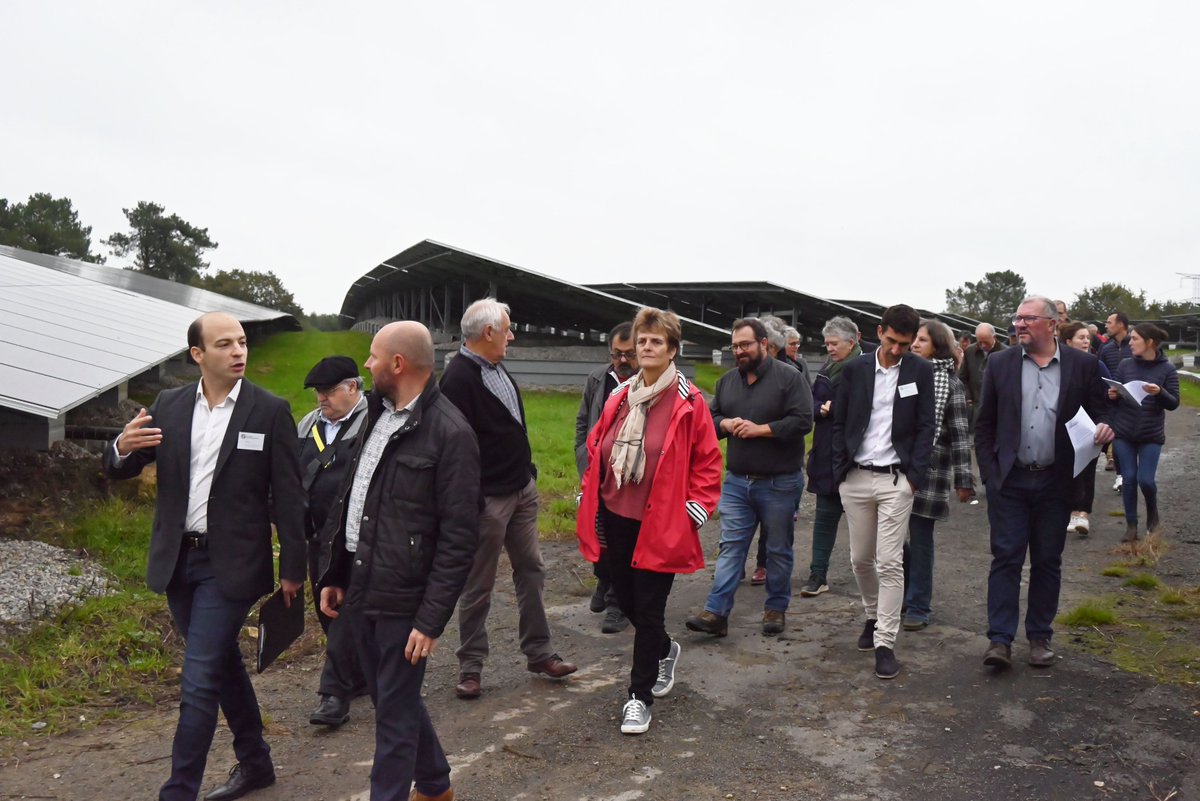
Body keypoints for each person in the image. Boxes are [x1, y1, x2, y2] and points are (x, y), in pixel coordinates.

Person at [103, 312, 306, 801]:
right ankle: (256, 763)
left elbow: (291, 497)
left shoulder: (269, 411)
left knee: (197, 682)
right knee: (221, 665)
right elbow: (125, 466)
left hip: (231, 566)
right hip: (178, 561)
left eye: (241, 343)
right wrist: (119, 447)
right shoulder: (169, 406)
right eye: (224, 344)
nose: (238, 351)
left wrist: (294, 571)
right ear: (198, 355)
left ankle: (179, 791)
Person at [319, 321, 479, 801]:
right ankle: (434, 785)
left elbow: (458, 539)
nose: (365, 365)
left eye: (372, 356)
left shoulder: (451, 434)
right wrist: (338, 573)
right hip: (362, 584)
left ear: (397, 364)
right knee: (394, 695)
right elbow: (357, 500)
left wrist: (430, 621)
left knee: (392, 714)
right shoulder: (373, 413)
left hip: (404, 599)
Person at [576, 307, 721, 735]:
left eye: (656, 341)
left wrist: (695, 510)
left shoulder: (690, 403)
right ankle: (664, 649)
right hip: (616, 515)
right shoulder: (620, 397)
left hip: (661, 522)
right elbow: (597, 442)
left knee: (650, 607)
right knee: (627, 598)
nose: (646, 346)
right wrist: (590, 489)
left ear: (672, 349)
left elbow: (708, 463)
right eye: (642, 340)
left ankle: (638, 698)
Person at [440, 298, 577, 699]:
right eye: (507, 329)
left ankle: (539, 652)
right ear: (487, 333)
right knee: (478, 584)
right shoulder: (458, 379)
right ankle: (470, 666)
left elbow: (509, 429)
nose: (512, 336)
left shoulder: (495, 367)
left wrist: (528, 475)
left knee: (531, 570)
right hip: (488, 500)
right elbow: (453, 451)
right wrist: (474, 498)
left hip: (521, 491)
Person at [975, 296, 1112, 670]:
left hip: (1056, 481)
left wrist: (1104, 427)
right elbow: (984, 423)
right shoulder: (1000, 363)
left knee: (1048, 561)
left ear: (1051, 325)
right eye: (1017, 318)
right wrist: (990, 473)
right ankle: (999, 640)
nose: (1019, 325)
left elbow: (1102, 410)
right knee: (1006, 558)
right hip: (1010, 481)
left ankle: (1039, 637)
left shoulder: (1084, 366)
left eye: (1028, 319)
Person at [685, 318, 813, 637]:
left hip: (780, 482)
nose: (739, 351)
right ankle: (716, 614)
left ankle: (775, 609)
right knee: (731, 546)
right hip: (738, 481)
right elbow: (711, 419)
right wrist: (726, 424)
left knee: (778, 550)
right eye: (735, 346)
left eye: (745, 345)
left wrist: (763, 430)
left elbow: (803, 421)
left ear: (764, 344)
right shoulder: (728, 382)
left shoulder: (789, 378)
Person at [831, 304, 934, 680]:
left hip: (896, 480)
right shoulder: (856, 369)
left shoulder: (920, 371)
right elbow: (840, 420)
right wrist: (840, 472)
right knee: (860, 559)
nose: (896, 350)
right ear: (879, 332)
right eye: (891, 341)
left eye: (904, 344)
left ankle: (885, 642)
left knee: (890, 561)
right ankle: (873, 615)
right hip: (856, 477)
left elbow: (926, 426)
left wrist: (913, 477)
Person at [297, 356, 369, 728]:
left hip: (356, 537)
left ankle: (334, 695)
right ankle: (359, 677)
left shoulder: (372, 423)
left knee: (345, 611)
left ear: (353, 388)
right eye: (317, 393)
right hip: (317, 536)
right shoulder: (308, 425)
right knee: (325, 610)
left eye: (328, 392)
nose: (321, 399)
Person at [901, 320, 974, 631]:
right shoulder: (904, 375)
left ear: (938, 346)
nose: (915, 344)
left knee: (920, 540)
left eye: (922, 340)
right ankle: (901, 594)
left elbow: (959, 435)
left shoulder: (952, 384)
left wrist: (964, 479)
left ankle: (918, 604)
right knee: (891, 541)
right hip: (897, 467)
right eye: (914, 339)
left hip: (931, 471)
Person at [575, 322, 637, 633]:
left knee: (622, 539)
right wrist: (584, 462)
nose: (623, 361)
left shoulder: (647, 383)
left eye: (629, 354)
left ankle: (618, 602)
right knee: (598, 533)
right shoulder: (597, 379)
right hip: (597, 473)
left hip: (630, 479)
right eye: (617, 354)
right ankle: (603, 580)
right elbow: (583, 422)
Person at [799, 316, 861, 598]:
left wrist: (837, 408)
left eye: (834, 344)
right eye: (827, 344)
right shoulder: (826, 370)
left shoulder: (868, 368)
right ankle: (817, 574)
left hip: (857, 458)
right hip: (826, 454)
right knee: (824, 518)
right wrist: (818, 408)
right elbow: (810, 401)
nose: (830, 349)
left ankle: (899, 577)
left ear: (853, 341)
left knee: (870, 525)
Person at [1109, 323, 1180, 543]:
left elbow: (1173, 403)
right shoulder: (1125, 365)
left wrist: (1160, 392)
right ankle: (1131, 525)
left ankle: (1153, 515)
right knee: (1129, 478)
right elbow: (1113, 395)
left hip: (1151, 434)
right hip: (1124, 432)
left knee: (1146, 480)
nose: (1130, 343)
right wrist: (1111, 395)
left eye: (1135, 339)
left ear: (1149, 342)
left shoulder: (1167, 369)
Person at [1059, 322, 1111, 537]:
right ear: (1068, 341)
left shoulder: (1095, 364)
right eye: (1081, 338)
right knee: (1065, 471)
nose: (1086, 341)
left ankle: (1083, 514)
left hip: (1088, 427)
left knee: (1086, 471)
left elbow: (1105, 392)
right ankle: (1069, 511)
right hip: (1063, 427)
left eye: (1087, 338)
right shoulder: (1058, 364)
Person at [1100, 312, 1134, 489]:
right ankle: (1121, 475)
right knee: (1117, 438)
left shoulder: (1135, 346)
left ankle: (1133, 472)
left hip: (1134, 402)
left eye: (1109, 322)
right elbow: (1099, 373)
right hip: (1112, 402)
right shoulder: (1105, 349)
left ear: (1121, 325)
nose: (1106, 325)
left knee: (1133, 439)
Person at [958, 322, 1006, 432]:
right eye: (980, 342)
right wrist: (968, 396)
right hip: (975, 405)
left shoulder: (1005, 353)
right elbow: (962, 377)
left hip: (997, 407)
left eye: (986, 342)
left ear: (994, 337)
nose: (983, 345)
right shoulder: (970, 351)